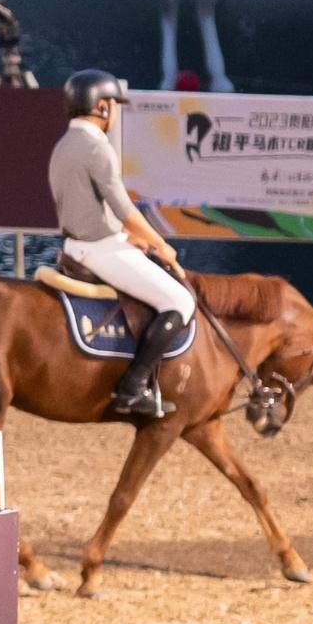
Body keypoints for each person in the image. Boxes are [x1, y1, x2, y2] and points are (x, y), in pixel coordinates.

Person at [49, 68, 195, 423]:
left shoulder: (64, 145)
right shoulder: (96, 146)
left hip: (78, 244)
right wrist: (160, 244)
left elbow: (87, 205)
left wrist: (124, 235)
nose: (115, 112)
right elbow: (124, 207)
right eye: (114, 105)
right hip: (99, 249)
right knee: (180, 300)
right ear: (101, 106)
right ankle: (133, 386)